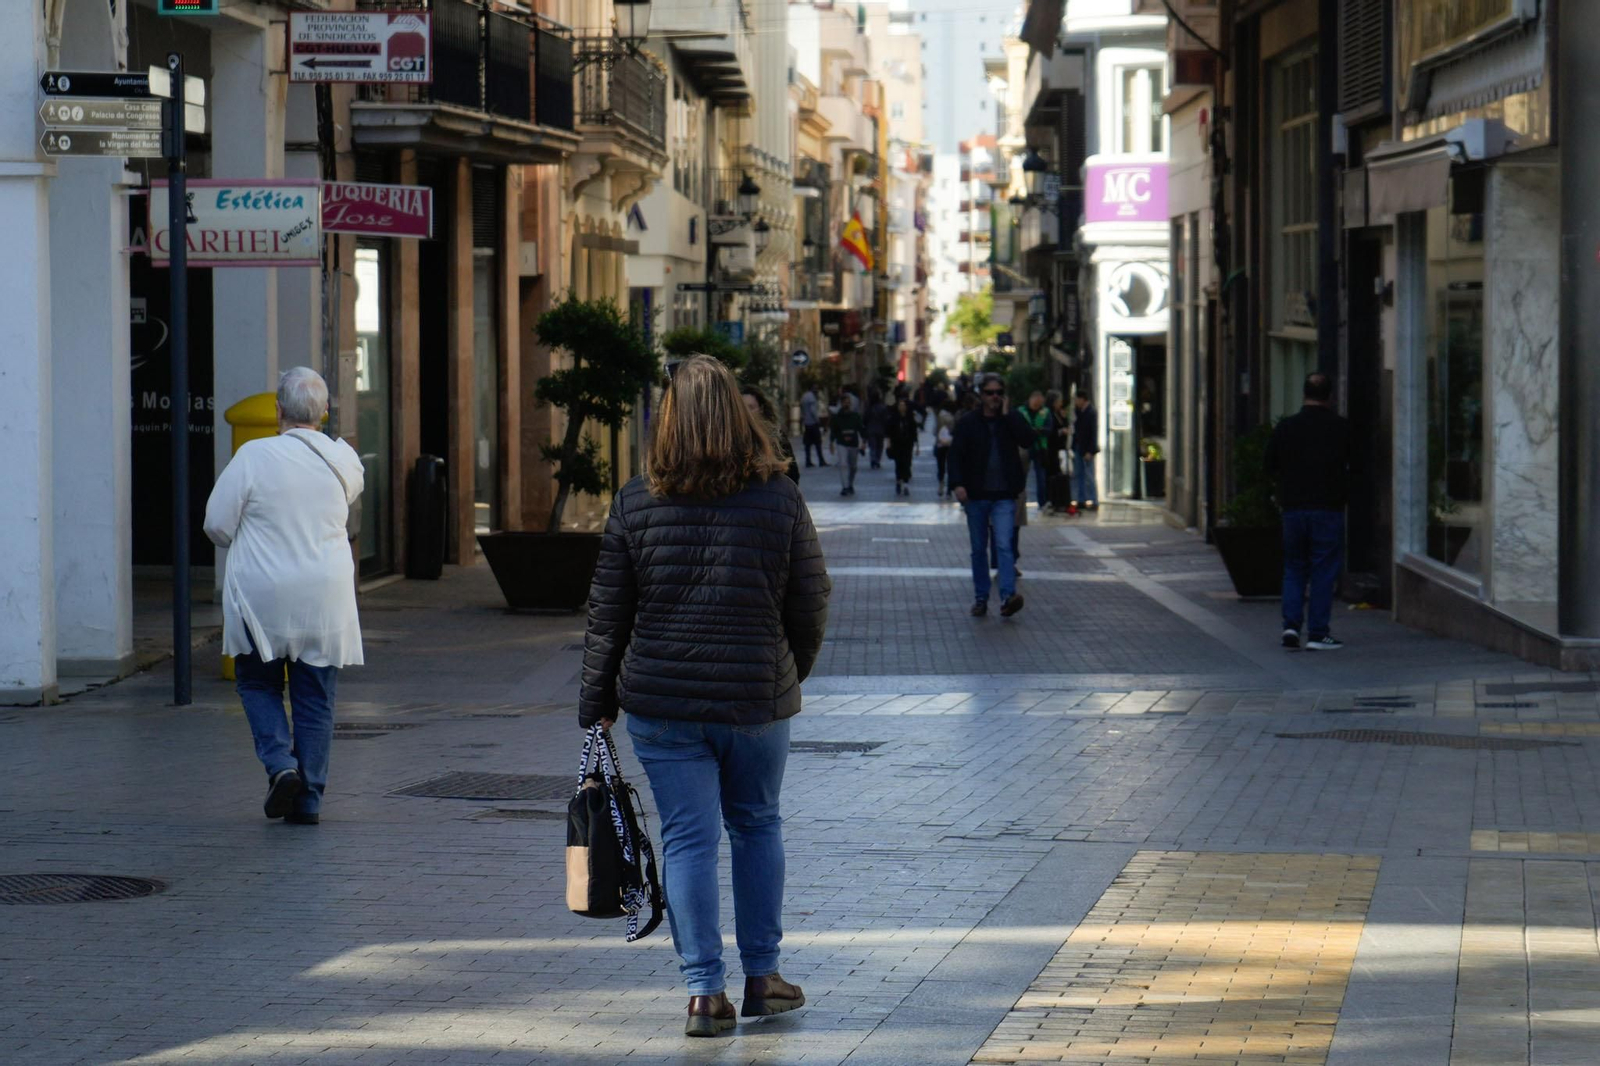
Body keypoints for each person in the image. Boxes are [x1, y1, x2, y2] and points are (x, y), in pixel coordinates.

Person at [579, 354, 831, 1038]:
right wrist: (786, 671)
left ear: (668, 420)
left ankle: (702, 994)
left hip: (662, 704)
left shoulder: (636, 500)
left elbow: (608, 614)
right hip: (756, 700)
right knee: (757, 827)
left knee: (689, 839)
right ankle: (763, 977)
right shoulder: (780, 496)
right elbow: (810, 600)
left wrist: (596, 700)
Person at [202, 367, 364, 826]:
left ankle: (281, 765)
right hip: (325, 597)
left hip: (263, 596)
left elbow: (216, 523)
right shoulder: (344, 459)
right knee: (315, 696)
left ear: (277, 411)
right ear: (326, 413)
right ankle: (309, 800)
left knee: (257, 683)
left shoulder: (253, 456)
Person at [1265, 372, 1351, 651]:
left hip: (1293, 509)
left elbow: (1269, 465)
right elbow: (1357, 467)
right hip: (1327, 508)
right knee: (1323, 571)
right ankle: (1317, 632)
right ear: (1330, 396)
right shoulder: (1340, 428)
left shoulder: (1286, 427)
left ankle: (1290, 626)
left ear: (1304, 394)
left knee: (1293, 569)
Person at [948, 373, 1033, 617]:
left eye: (998, 392)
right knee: (978, 548)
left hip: (1005, 495)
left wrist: (1010, 414)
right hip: (976, 495)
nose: (994, 397)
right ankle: (981, 597)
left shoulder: (1010, 420)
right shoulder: (968, 422)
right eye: (989, 392)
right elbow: (955, 455)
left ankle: (1007, 596)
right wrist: (957, 484)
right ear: (981, 394)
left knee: (1004, 545)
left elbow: (1028, 440)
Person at [742, 384, 800, 483]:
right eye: (743, 408)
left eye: (751, 407)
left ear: (761, 409)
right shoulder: (733, 437)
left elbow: (792, 473)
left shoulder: (776, 436)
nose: (747, 413)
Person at [1022, 390, 1055, 513]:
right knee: (1021, 477)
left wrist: (1036, 431)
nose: (1037, 406)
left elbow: (1049, 429)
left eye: (1039, 404)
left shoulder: (1045, 412)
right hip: (1025, 448)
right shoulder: (1021, 411)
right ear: (1031, 400)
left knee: (1041, 477)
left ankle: (1042, 503)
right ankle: (1020, 503)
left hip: (1040, 448)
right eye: (1035, 404)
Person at [885, 396, 920, 496]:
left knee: (907, 463)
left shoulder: (910, 418)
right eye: (900, 405)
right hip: (897, 444)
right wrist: (888, 443)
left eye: (903, 405)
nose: (902, 407)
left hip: (908, 444)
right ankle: (898, 481)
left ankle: (906, 484)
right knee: (898, 464)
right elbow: (889, 432)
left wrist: (917, 445)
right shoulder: (894, 419)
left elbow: (914, 432)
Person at [830, 392, 864, 496]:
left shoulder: (855, 416)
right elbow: (834, 431)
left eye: (848, 403)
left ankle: (850, 483)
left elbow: (861, 429)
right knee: (843, 464)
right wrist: (831, 442)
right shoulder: (837, 417)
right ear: (841, 403)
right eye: (845, 402)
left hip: (853, 444)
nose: (847, 405)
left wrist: (864, 442)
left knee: (853, 466)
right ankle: (845, 486)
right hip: (841, 443)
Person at [1071, 389, 1100, 510]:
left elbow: (1093, 433)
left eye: (1077, 399)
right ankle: (1081, 500)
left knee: (1089, 475)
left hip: (1087, 448)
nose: (1075, 402)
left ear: (1082, 399)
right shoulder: (1078, 411)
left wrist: (1090, 451)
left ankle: (1094, 500)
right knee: (1079, 474)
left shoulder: (1091, 412)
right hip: (1079, 447)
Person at [799, 384, 827, 468]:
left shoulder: (804, 396)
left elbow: (802, 409)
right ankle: (821, 460)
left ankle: (808, 460)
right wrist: (817, 420)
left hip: (807, 423)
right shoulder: (812, 398)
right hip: (813, 423)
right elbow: (813, 410)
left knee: (807, 444)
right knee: (818, 443)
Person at [933, 402, 956, 498]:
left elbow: (935, 431)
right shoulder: (954, 417)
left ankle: (941, 484)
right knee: (951, 466)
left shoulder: (939, 416)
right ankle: (949, 490)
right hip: (951, 444)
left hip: (941, 443)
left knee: (941, 466)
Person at [863, 389, 890, 470]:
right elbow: (886, 419)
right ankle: (877, 460)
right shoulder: (883, 407)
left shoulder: (869, 408)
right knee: (879, 446)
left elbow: (865, 419)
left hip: (871, 429)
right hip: (881, 430)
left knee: (872, 446)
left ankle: (873, 459)